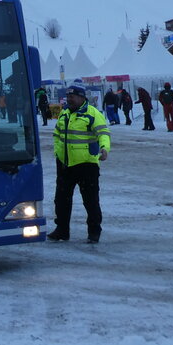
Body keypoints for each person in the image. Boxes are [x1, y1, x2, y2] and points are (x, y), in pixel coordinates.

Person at [48, 84, 111, 244]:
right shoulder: (64, 113)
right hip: (65, 164)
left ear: (82, 98)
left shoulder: (93, 114)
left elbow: (103, 133)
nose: (69, 99)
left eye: (73, 96)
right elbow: (57, 134)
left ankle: (94, 231)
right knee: (61, 200)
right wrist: (58, 152)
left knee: (90, 201)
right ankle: (62, 230)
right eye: (68, 96)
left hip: (86, 165)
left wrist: (104, 148)